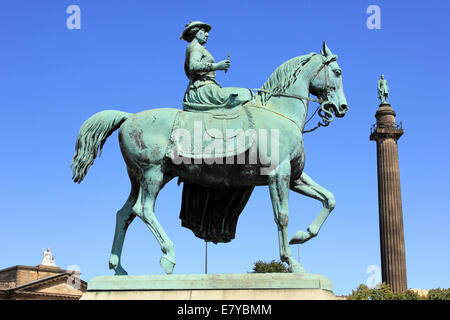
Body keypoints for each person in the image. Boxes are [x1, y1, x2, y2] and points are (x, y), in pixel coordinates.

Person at [180, 21, 253, 111]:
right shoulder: (195, 47)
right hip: (203, 89)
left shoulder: (196, 47)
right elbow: (193, 65)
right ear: (196, 33)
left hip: (206, 87)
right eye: (204, 32)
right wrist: (218, 66)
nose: (207, 35)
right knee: (246, 94)